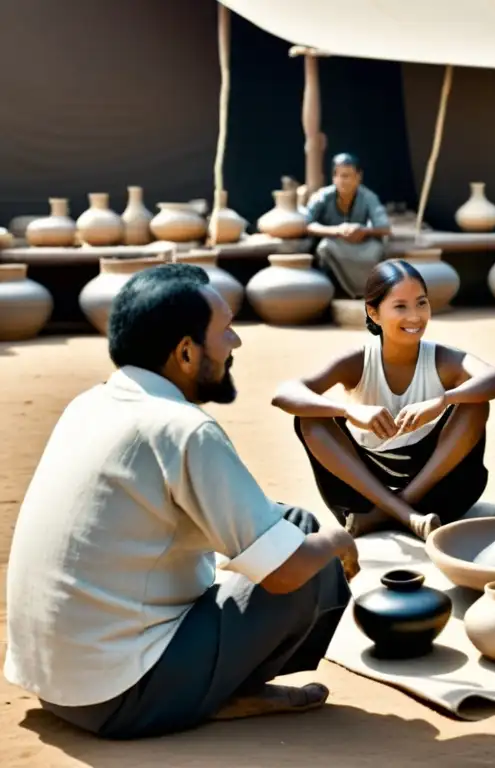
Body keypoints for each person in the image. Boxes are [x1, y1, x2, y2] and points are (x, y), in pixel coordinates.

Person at [3, 264, 360, 740]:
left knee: (292, 523)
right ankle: (218, 694)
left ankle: (210, 683)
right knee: (313, 564)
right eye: (225, 331)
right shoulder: (183, 429)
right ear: (186, 353)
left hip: (57, 682)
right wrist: (338, 541)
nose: (236, 343)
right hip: (122, 696)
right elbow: (286, 573)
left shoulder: (91, 402)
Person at [272, 259, 495, 540]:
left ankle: (388, 514)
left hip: (435, 495)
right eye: (400, 306)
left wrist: (443, 400)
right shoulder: (358, 360)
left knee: (475, 403)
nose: (415, 316)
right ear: (373, 313)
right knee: (310, 417)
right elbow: (285, 394)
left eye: (421, 303)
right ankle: (403, 514)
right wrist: (349, 410)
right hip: (362, 495)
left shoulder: (443, 358)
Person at [306, 152, 391, 298]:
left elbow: (385, 227)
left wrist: (362, 230)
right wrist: (336, 230)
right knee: (323, 248)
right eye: (338, 176)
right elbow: (306, 224)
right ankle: (335, 294)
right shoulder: (323, 196)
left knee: (378, 249)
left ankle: (368, 292)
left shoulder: (368, 197)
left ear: (358, 177)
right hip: (333, 243)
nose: (342, 181)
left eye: (347, 176)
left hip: (360, 244)